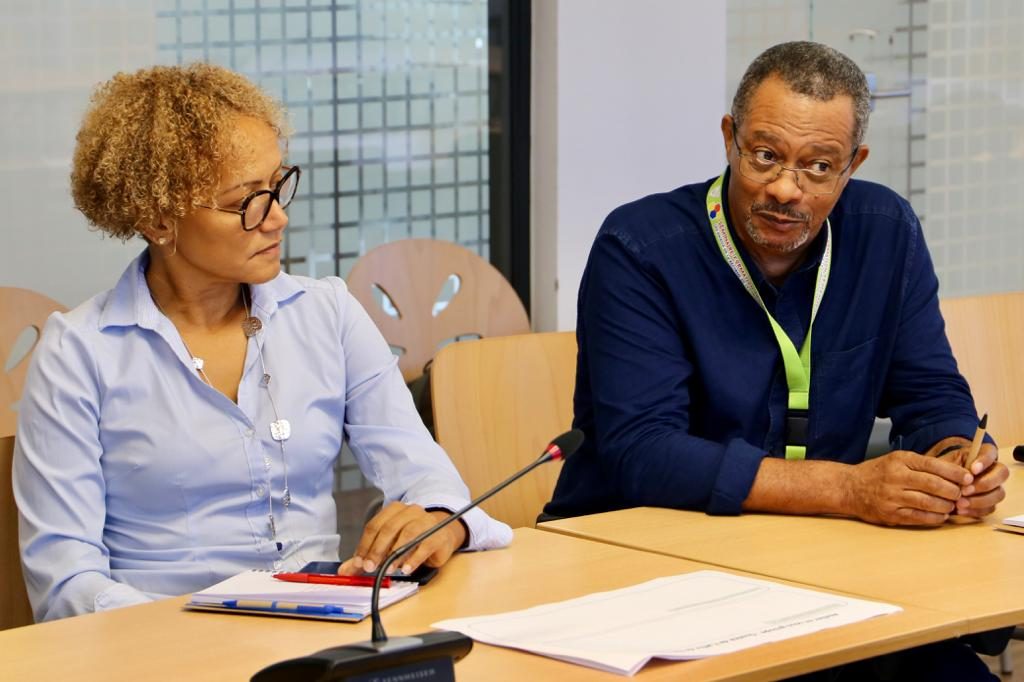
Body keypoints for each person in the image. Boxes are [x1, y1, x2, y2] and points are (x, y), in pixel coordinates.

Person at [544, 42, 1009, 679]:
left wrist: (956, 462)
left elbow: (930, 392)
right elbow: (644, 452)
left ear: (852, 165)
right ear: (729, 138)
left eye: (819, 167)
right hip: (649, 566)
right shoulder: (641, 248)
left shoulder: (884, 230)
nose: (787, 189)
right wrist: (848, 489)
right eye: (765, 156)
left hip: (819, 564)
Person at [13, 63, 511, 623]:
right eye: (246, 200)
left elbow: (427, 475)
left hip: (321, 632)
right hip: (160, 648)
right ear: (158, 220)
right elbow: (66, 583)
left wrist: (439, 518)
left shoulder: (327, 313)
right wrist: (194, 639)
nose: (277, 218)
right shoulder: (80, 352)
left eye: (277, 185)